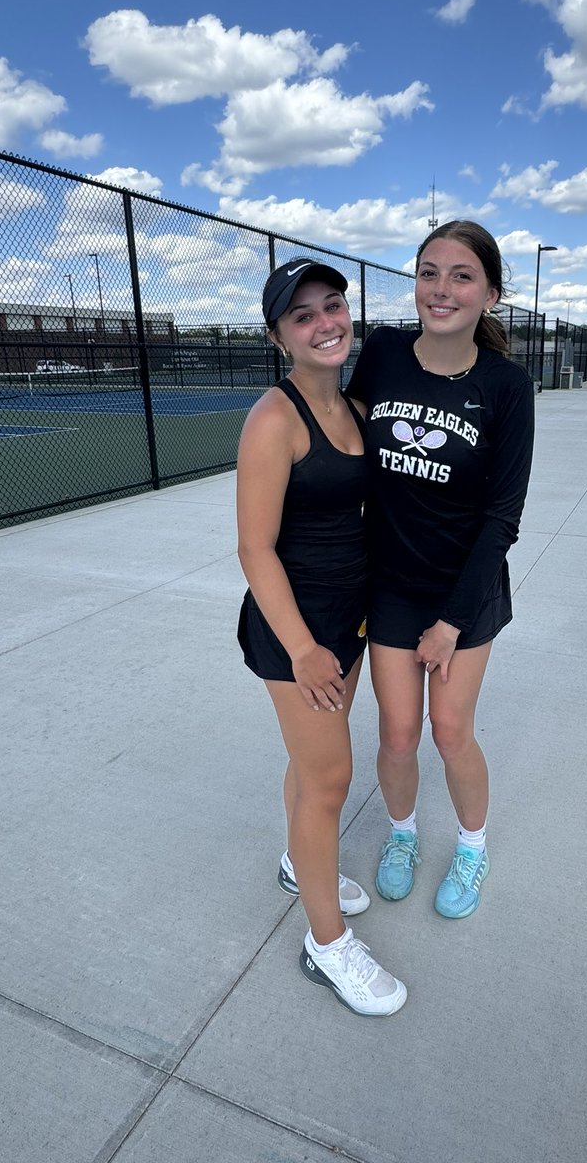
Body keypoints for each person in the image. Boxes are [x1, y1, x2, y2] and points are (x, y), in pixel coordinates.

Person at [345, 221, 535, 921]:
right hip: (390, 583)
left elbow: (502, 518)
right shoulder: (386, 352)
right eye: (430, 272)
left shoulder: (507, 386)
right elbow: (342, 442)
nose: (442, 288)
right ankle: (401, 838)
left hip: (465, 593)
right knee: (397, 734)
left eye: (461, 275)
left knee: (451, 732)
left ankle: (474, 846)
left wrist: (453, 622)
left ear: (490, 293)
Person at [236, 258, 406, 1017]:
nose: (324, 323)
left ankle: (294, 860)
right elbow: (254, 548)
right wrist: (304, 649)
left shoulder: (359, 410)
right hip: (294, 632)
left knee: (312, 767)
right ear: (279, 338)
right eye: (302, 316)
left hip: (348, 623)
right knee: (331, 780)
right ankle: (326, 945)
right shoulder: (274, 419)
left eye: (331, 306)